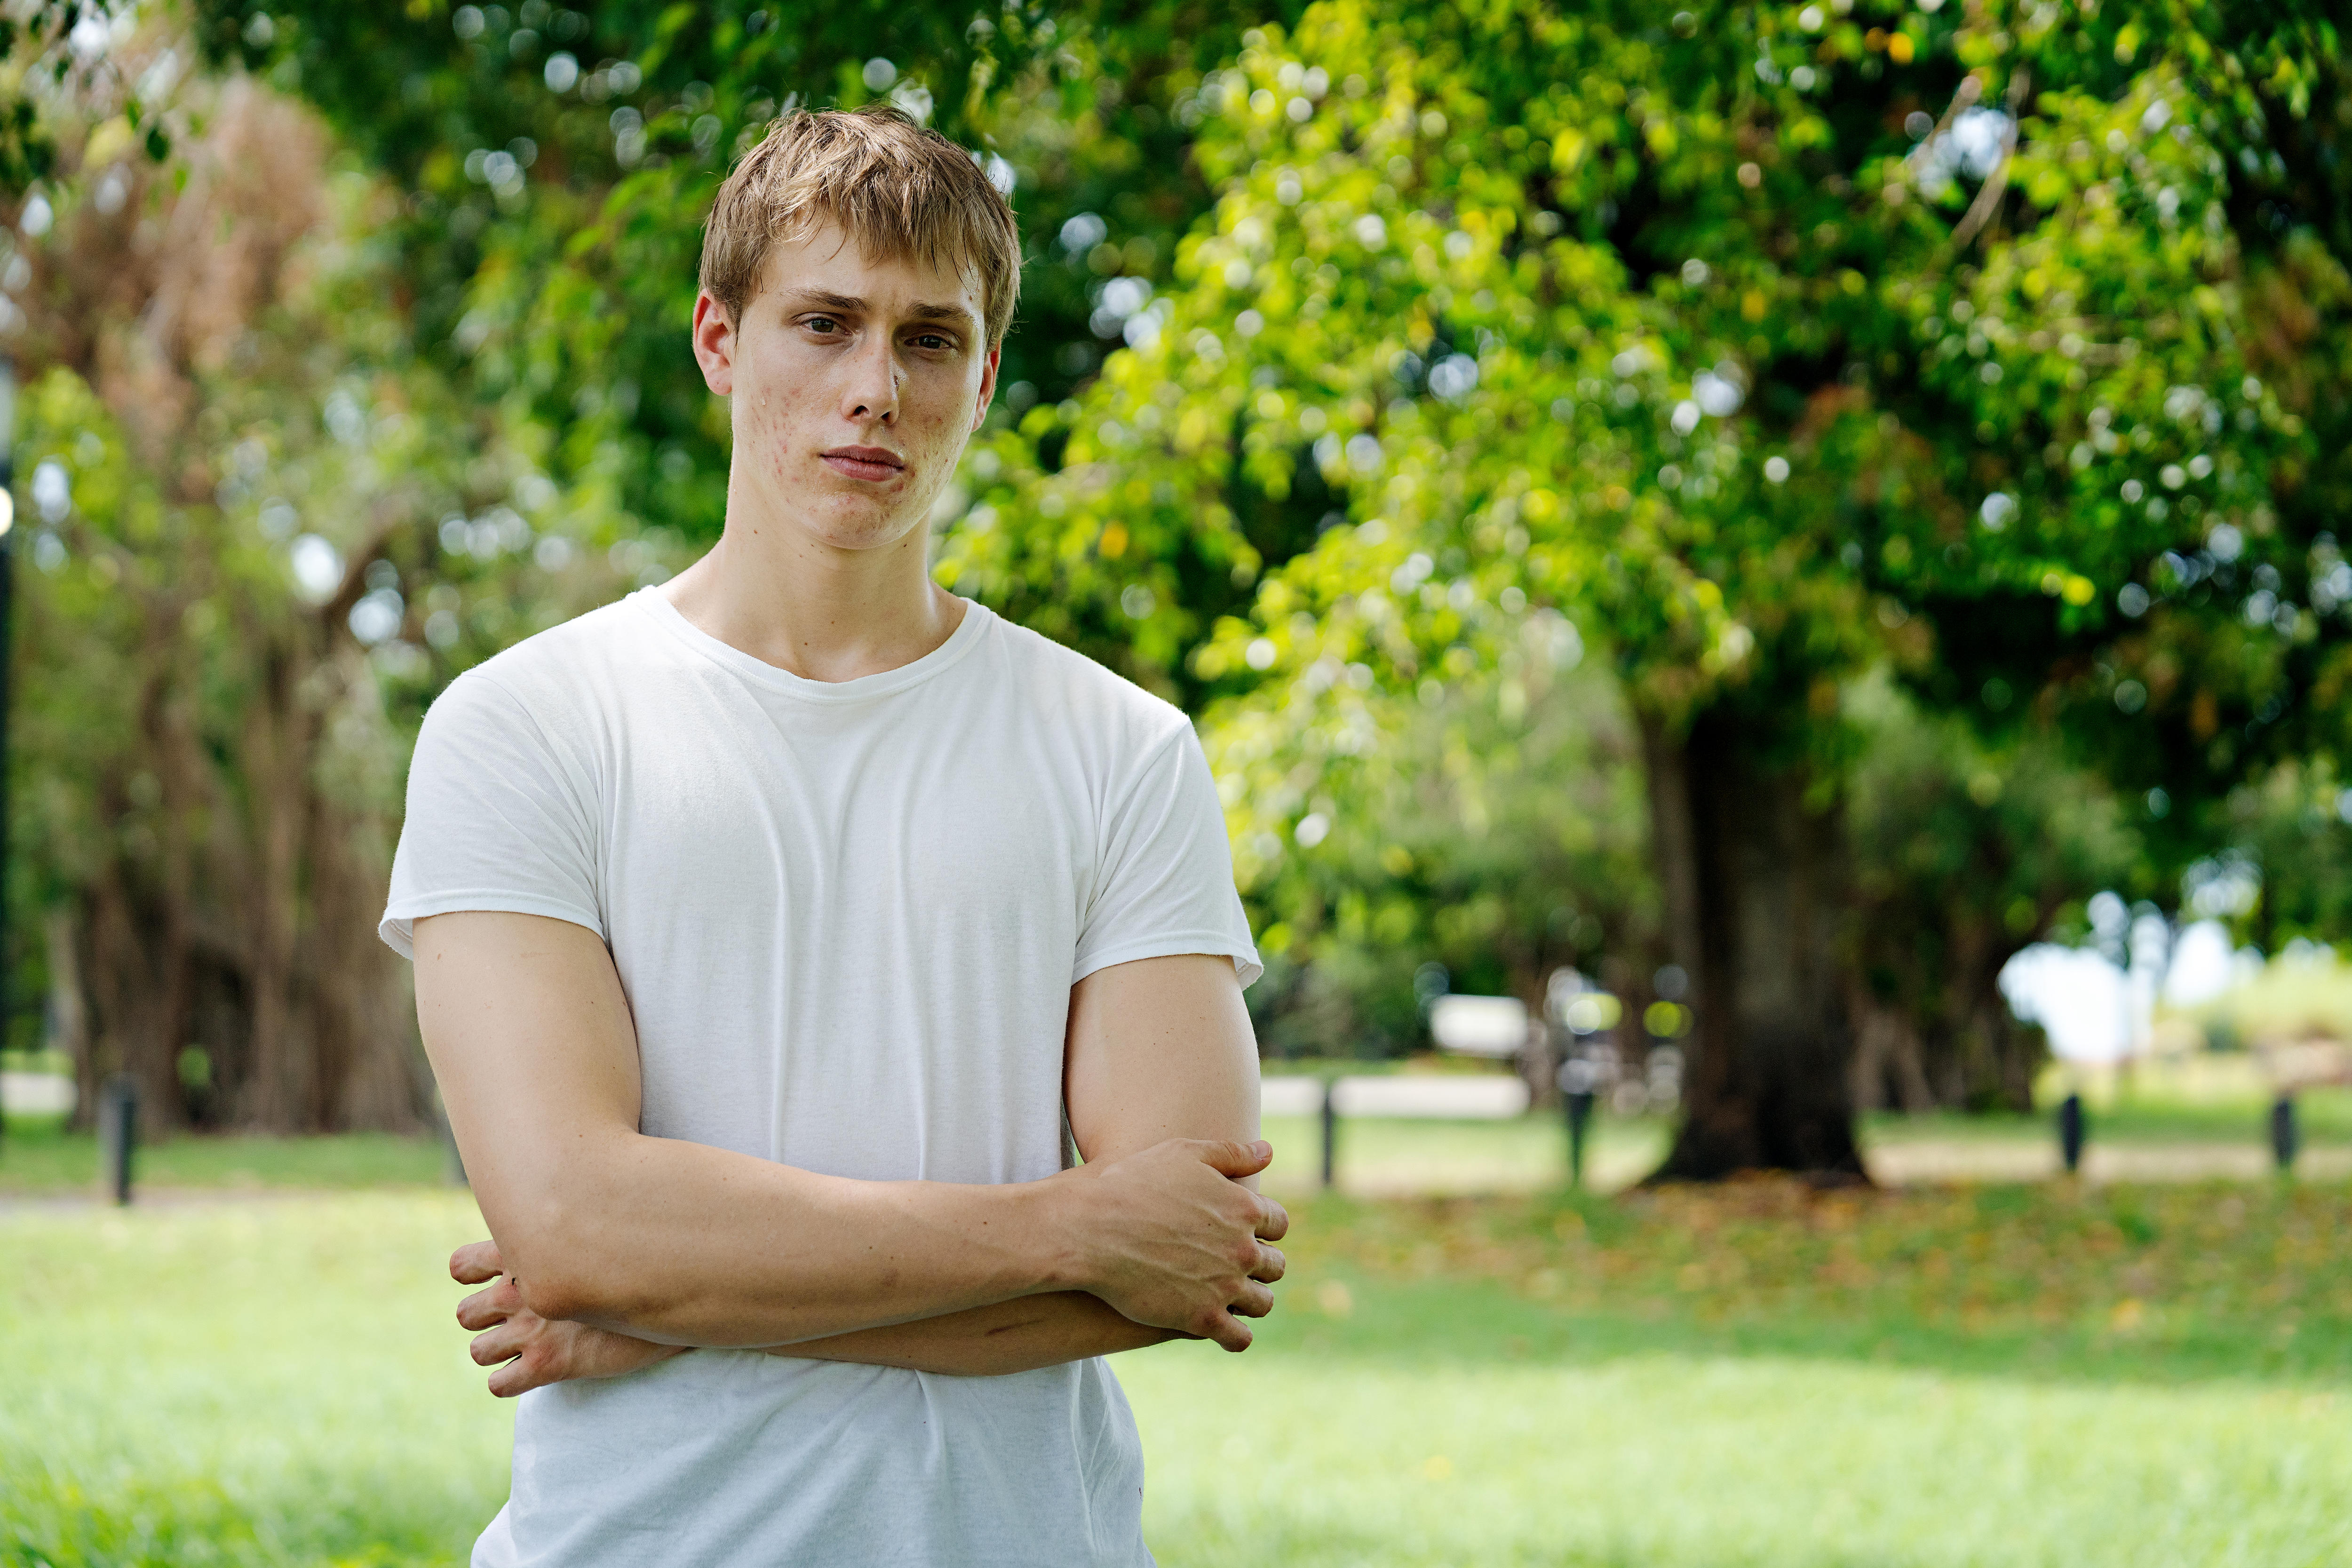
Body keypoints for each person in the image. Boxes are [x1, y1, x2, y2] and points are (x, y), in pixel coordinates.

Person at [380, 105, 1287, 1568]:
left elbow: (1182, 1264)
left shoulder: (1123, 750)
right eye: (824, 323)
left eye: (930, 340)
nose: (875, 386)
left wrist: (676, 1302)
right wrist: (1071, 1231)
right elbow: (572, 1224)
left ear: (983, 376)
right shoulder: (527, 724)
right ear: (720, 341)